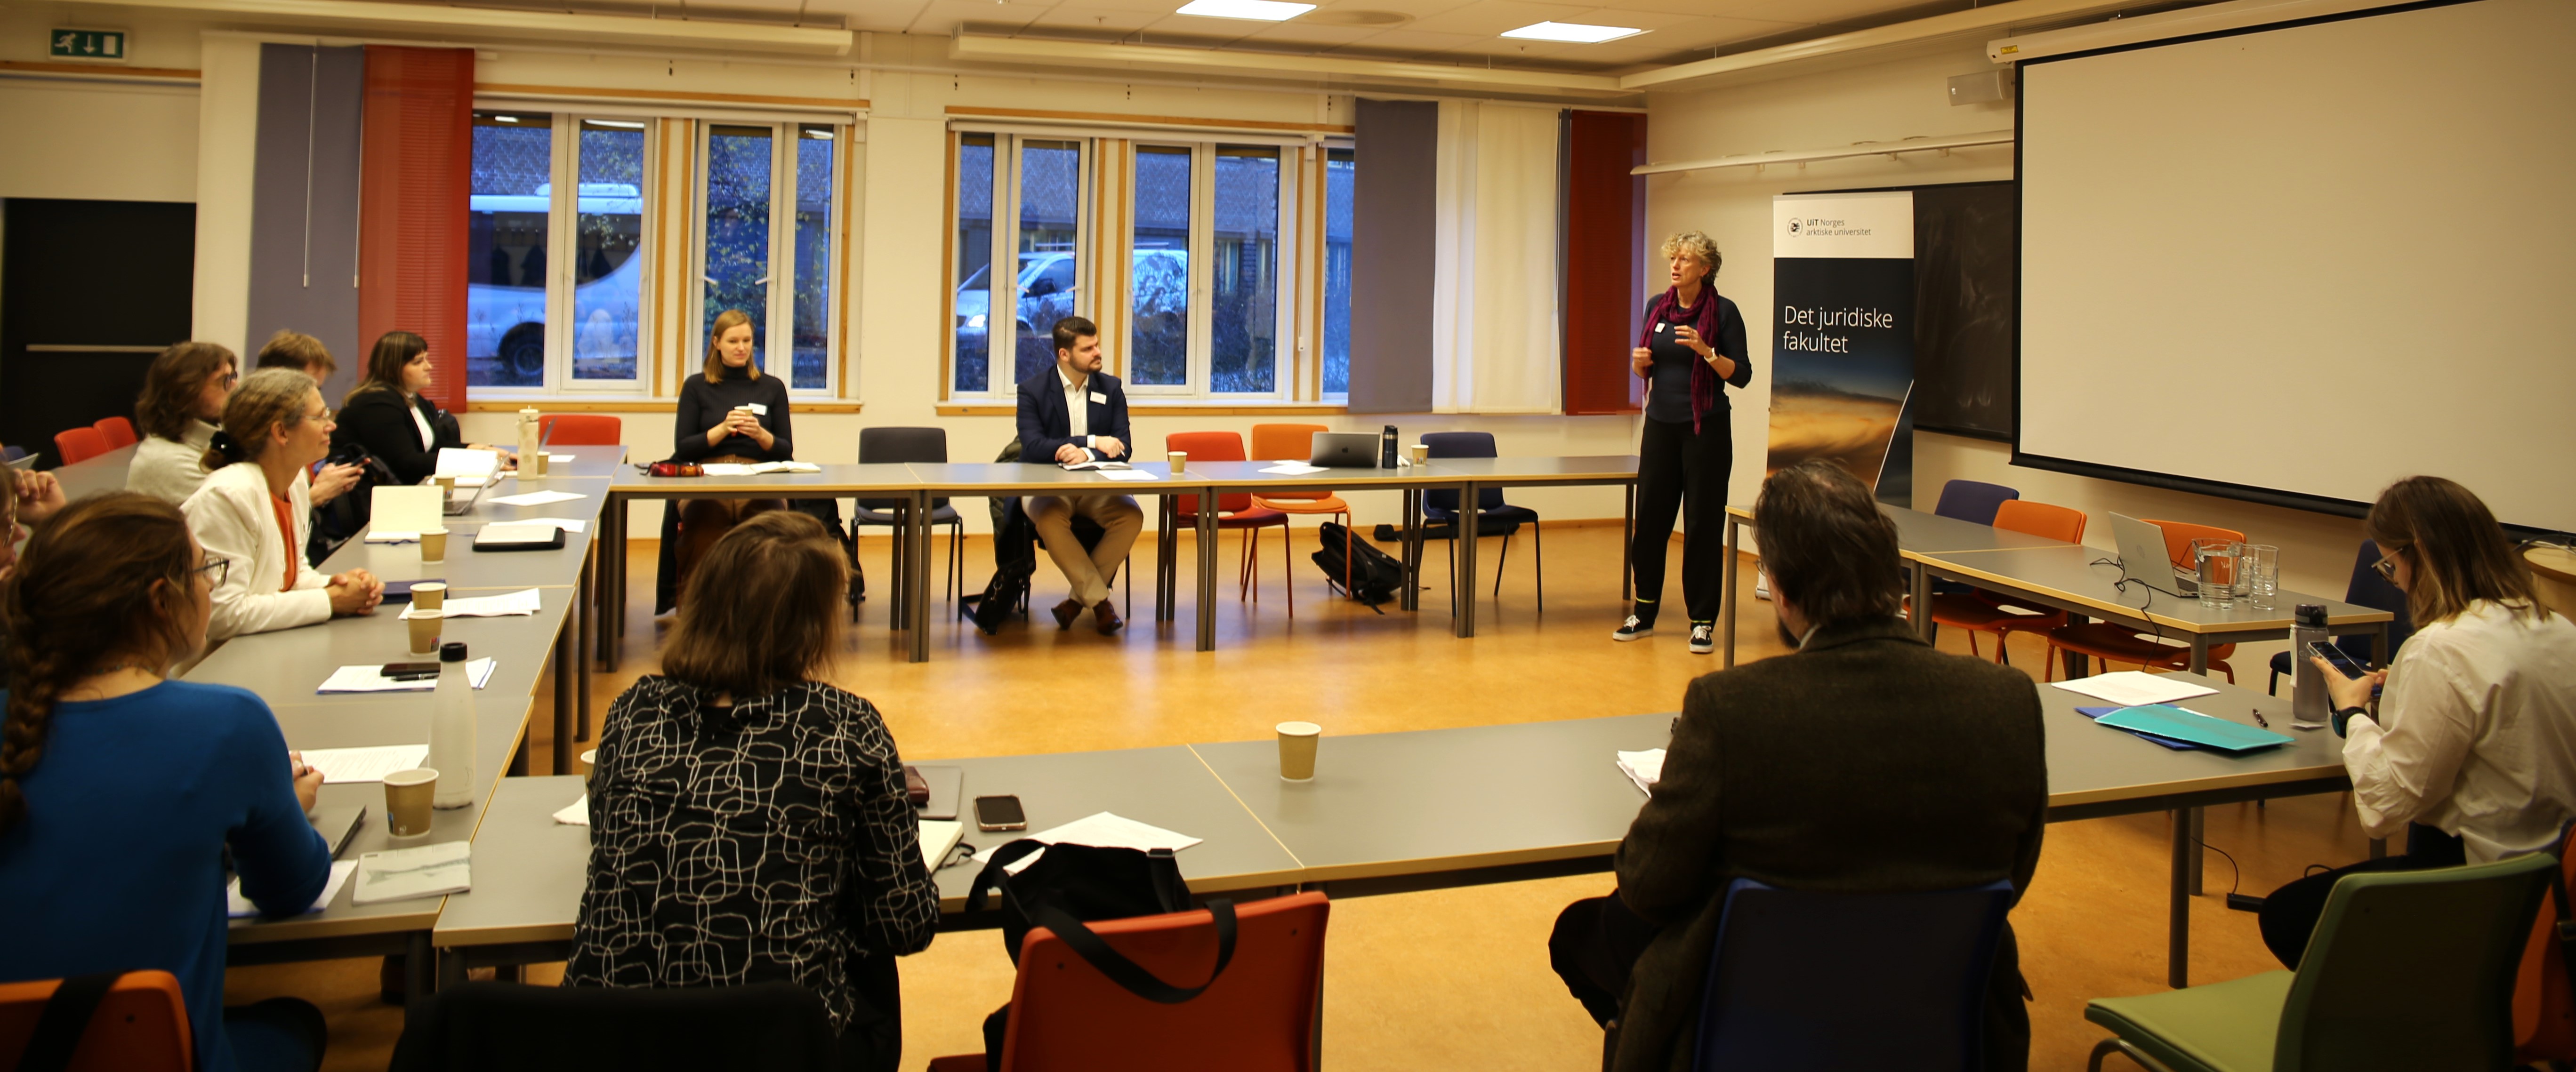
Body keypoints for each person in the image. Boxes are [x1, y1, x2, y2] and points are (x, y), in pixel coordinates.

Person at [1550, 460, 2046, 1072]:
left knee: (1584, 932)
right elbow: (2010, 877)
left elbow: (1648, 885)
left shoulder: (1731, 709)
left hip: (1756, 1017)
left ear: (1781, 590)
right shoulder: (2008, 701)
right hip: (1942, 1016)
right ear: (1892, 573)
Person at [564, 510, 936, 1072]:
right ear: (809, 626)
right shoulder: (843, 726)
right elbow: (904, 924)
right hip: (784, 1047)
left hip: (614, 1042)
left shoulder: (631, 712)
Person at [0, 492, 334, 1072]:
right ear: (162, 601)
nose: (211, 587)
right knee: (294, 1021)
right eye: (206, 570)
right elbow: (291, 890)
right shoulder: (228, 724)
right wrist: (280, 807)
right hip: (164, 1055)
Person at [2256, 475, 2576, 967]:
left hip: (2477, 884)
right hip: (2554, 883)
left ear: (2419, 555)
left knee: (2288, 917)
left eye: (2390, 565)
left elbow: (2387, 806)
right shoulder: (2559, 629)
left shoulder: (2440, 648)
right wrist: (2405, 691)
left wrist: (2353, 711)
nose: (2397, 581)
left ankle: (2414, 1024)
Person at [1616, 231, 1752, 655]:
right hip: (1660, 426)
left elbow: (1742, 375)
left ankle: (1702, 621)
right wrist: (1638, 366)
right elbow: (1649, 369)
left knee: (1702, 526)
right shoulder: (1656, 307)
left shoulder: (1724, 313)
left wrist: (1708, 352)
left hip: (1706, 430)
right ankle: (1644, 610)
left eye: (1686, 260)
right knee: (1651, 521)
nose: (1676, 266)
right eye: (1673, 258)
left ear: (1705, 269)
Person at [183, 369, 382, 640]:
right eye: (320, 417)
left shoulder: (295, 480)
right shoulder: (226, 497)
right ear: (281, 432)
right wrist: (330, 601)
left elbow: (292, 577)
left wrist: (343, 586)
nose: (331, 425)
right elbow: (222, 614)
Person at [1014, 315, 1141, 635]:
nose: (1098, 352)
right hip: (1047, 487)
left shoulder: (1111, 388)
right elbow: (1033, 446)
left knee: (1131, 515)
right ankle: (1100, 603)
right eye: (1088, 348)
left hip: (1095, 487)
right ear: (1065, 355)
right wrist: (1093, 442)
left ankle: (1076, 601)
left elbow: (1124, 447)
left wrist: (1087, 454)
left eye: (1097, 345)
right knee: (1049, 517)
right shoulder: (1033, 391)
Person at [660, 309, 796, 604]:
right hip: (706, 476)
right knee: (703, 535)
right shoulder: (697, 386)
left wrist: (761, 435)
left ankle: (764, 617)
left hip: (758, 475)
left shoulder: (772, 387)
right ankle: (702, 622)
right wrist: (721, 430)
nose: (742, 348)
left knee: (768, 537)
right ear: (717, 343)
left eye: (747, 340)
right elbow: (684, 447)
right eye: (734, 341)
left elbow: (786, 450)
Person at [331, 330, 512, 487]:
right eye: (418, 362)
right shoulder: (375, 404)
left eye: (426, 359)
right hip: (371, 500)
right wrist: (480, 463)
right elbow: (405, 462)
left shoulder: (412, 399)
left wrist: (484, 450)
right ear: (393, 369)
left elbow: (436, 447)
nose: (429, 367)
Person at [126, 342, 242, 504]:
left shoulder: (210, 439)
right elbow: (246, 510)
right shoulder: (170, 463)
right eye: (223, 380)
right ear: (186, 392)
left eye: (233, 377)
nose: (235, 387)